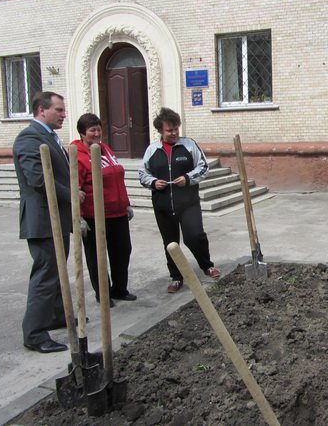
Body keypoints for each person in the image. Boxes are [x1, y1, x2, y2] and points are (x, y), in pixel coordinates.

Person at [13, 91, 77, 353]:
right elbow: (38, 178)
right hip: (42, 219)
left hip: (56, 218)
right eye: (59, 110)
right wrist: (71, 194)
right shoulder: (29, 138)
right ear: (42, 110)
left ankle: (57, 316)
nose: (63, 115)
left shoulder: (49, 136)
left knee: (56, 271)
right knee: (46, 275)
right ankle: (35, 334)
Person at [139, 107, 221, 293]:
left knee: (195, 236)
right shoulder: (152, 150)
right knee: (170, 244)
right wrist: (153, 182)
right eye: (169, 130)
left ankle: (207, 265)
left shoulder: (189, 145)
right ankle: (176, 277)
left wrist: (188, 178)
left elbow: (203, 167)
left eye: (176, 128)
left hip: (188, 204)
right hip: (163, 206)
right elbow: (143, 174)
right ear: (160, 130)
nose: (174, 133)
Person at [72, 113, 136, 305]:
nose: (97, 133)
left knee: (123, 251)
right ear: (82, 133)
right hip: (95, 215)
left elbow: (117, 177)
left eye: (99, 129)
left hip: (118, 212)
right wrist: (79, 216)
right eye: (92, 130)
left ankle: (119, 289)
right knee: (97, 256)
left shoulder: (105, 149)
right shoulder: (77, 155)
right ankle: (104, 294)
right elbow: (75, 188)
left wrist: (126, 203)